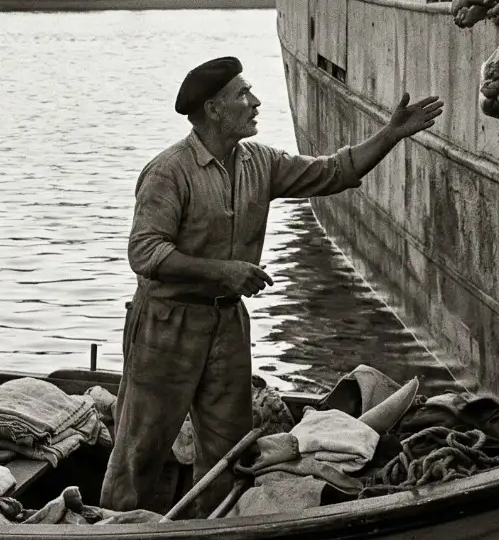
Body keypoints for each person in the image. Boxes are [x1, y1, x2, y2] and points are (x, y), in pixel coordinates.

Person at [101, 57, 443, 514]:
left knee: (229, 450)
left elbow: (333, 172)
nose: (255, 101)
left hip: (226, 325)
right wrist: (223, 271)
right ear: (213, 109)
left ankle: (215, 537)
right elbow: (144, 253)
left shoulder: (259, 163)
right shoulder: (169, 172)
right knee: (140, 446)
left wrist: (392, 133)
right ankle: (114, 531)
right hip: (166, 326)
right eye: (242, 94)